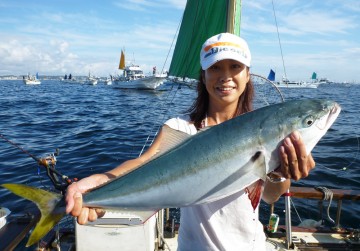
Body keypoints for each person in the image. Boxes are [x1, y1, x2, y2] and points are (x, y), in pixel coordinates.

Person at [65, 33, 315, 250]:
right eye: (215, 68)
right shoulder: (180, 128)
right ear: (203, 76)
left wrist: (283, 173)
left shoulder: (262, 131)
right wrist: (100, 182)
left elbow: (271, 196)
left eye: (235, 67)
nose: (225, 76)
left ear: (248, 75)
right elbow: (145, 162)